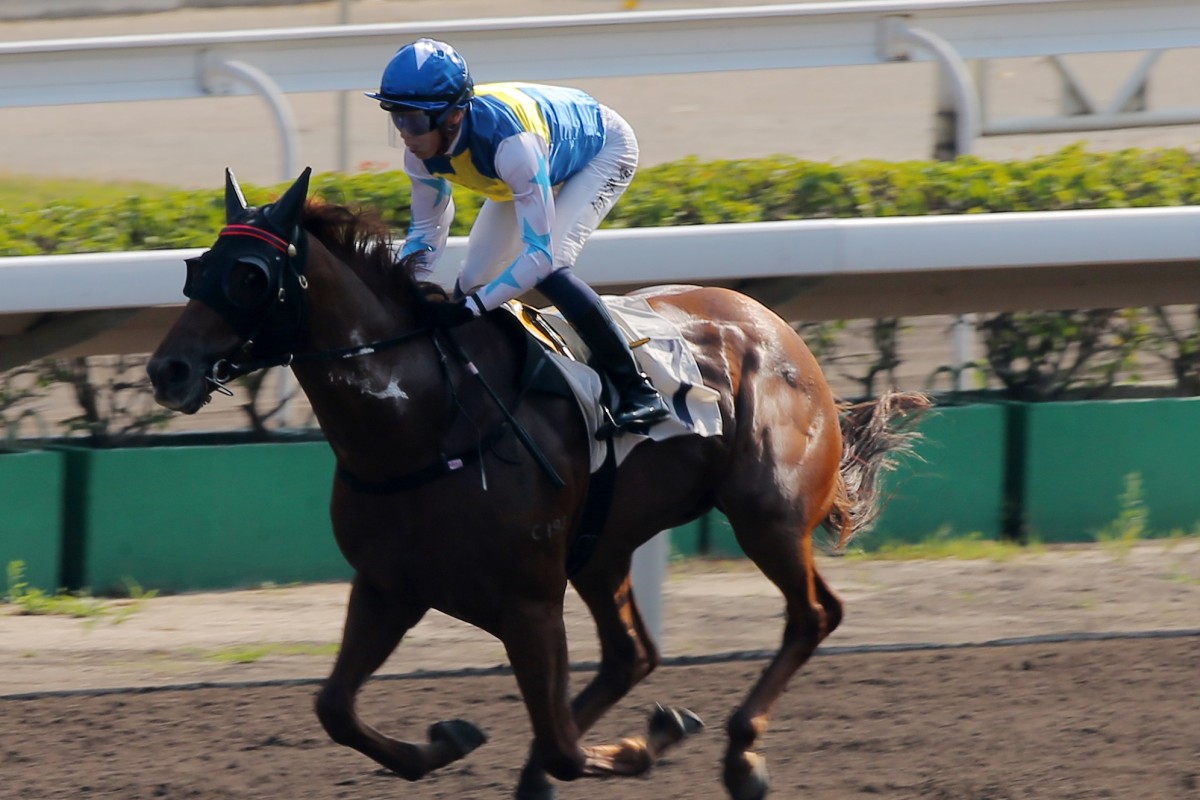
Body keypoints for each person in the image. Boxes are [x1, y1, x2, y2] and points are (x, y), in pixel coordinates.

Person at [365, 37, 670, 432]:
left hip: (601, 150)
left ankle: (638, 389)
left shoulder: (512, 147)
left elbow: (537, 257)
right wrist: (401, 289)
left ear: (453, 117)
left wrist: (470, 310)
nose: (405, 133)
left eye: (415, 120)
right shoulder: (420, 155)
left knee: (551, 266)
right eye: (397, 118)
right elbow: (426, 233)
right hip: (527, 168)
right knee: (473, 281)